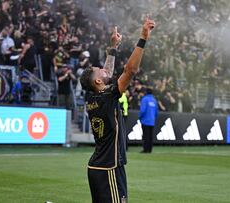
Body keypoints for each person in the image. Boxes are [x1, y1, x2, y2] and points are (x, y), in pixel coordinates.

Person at [80, 17, 155, 203]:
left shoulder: (92, 96)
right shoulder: (106, 96)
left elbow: (108, 72)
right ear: (98, 81)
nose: (104, 70)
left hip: (99, 167)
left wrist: (113, 48)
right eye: (100, 71)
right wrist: (143, 38)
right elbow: (130, 70)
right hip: (109, 168)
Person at [139, 88, 158, 153]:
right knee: (150, 136)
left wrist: (140, 117)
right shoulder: (154, 100)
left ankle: (145, 149)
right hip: (152, 121)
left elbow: (142, 110)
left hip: (145, 120)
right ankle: (150, 149)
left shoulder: (145, 99)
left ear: (146, 92)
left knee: (145, 136)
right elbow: (156, 112)